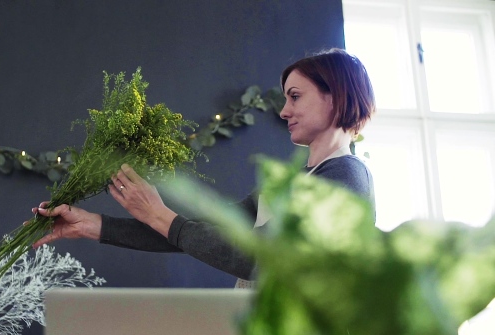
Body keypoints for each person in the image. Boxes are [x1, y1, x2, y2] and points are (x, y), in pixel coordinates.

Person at [30, 48, 376, 287]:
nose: (284, 111)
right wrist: (92, 225)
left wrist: (158, 214)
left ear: (335, 96)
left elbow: (261, 259)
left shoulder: (345, 178)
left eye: (295, 96)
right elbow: (202, 234)